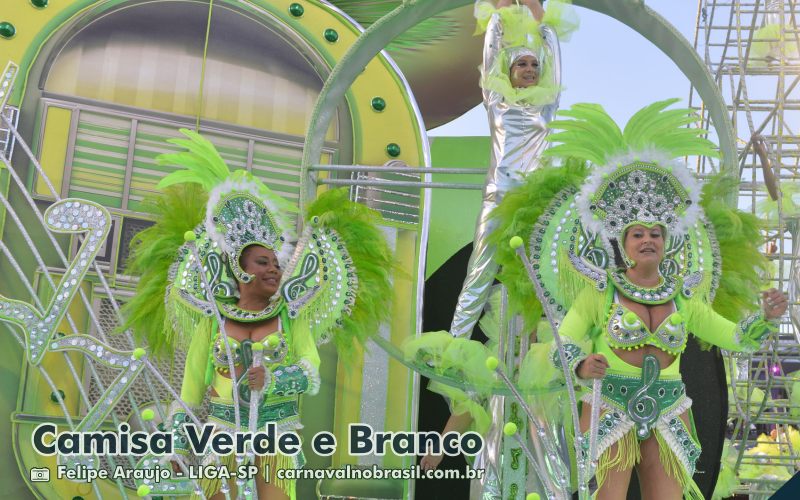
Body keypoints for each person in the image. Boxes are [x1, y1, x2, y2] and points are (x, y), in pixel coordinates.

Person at [502, 98, 791, 499]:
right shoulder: (601, 290)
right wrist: (583, 364)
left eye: (656, 233)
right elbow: (561, 342)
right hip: (610, 405)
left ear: (666, 241)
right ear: (624, 243)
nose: (648, 239)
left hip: (669, 408)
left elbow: (734, 337)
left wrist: (765, 316)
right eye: (638, 233)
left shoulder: (685, 296)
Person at [123, 129, 392, 499]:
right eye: (263, 262)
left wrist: (274, 379)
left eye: (276, 264)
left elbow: (311, 369)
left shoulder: (290, 317)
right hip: (221, 436)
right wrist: (177, 446)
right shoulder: (212, 320)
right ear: (239, 268)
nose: (274, 270)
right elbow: (190, 390)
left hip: (275, 437)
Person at [450, 0, 577, 338]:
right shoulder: (496, 101)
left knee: (540, 280)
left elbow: (554, 58)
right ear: (509, 71)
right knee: (479, 272)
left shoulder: (546, 105)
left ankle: (552, 353)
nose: (530, 69)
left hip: (534, 203)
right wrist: (497, 18)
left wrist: (542, 21)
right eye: (522, 63)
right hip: (498, 197)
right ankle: (452, 348)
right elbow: (491, 54)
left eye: (534, 64)